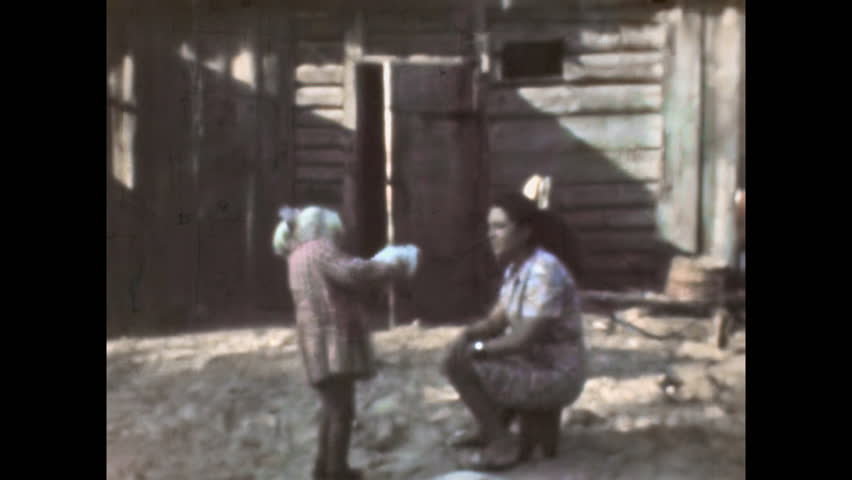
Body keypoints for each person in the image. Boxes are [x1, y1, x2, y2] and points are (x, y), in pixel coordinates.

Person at [441, 192, 587, 471]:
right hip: (533, 362)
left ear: (524, 232)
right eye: (489, 227)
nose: (491, 235)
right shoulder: (516, 269)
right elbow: (496, 321)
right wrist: (467, 336)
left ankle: (502, 443)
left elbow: (524, 337)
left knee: (464, 364)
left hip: (555, 372)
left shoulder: (544, 271)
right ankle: (491, 429)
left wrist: (477, 350)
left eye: (499, 227)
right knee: (457, 355)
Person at [273, 206, 407, 480]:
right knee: (342, 411)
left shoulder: (296, 255)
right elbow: (352, 273)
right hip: (333, 339)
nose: (339, 237)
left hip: (313, 339)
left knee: (331, 408)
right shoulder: (320, 249)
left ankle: (323, 468)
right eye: (336, 231)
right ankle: (336, 471)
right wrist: (391, 266)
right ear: (323, 228)